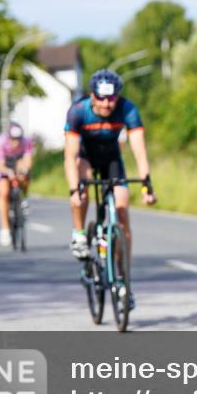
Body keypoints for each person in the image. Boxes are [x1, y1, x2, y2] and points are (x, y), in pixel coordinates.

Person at [64, 69, 156, 301]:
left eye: (111, 98)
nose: (106, 104)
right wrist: (74, 189)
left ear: (118, 96)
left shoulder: (127, 109)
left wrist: (147, 185)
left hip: (112, 159)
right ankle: (79, 234)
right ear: (92, 96)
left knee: (122, 213)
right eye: (101, 98)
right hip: (85, 156)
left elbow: (139, 150)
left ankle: (124, 281)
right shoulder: (78, 111)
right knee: (82, 188)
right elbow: (70, 156)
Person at [0, 121, 35, 247]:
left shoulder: (26, 142)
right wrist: (8, 172)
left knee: (25, 175)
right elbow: (0, 165)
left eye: (18, 139)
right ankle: (5, 229)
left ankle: (24, 198)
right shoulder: (1, 142)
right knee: (4, 192)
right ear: (8, 137)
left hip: (18, 163)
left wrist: (24, 171)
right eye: (13, 139)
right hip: (5, 165)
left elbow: (28, 161)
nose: (16, 142)